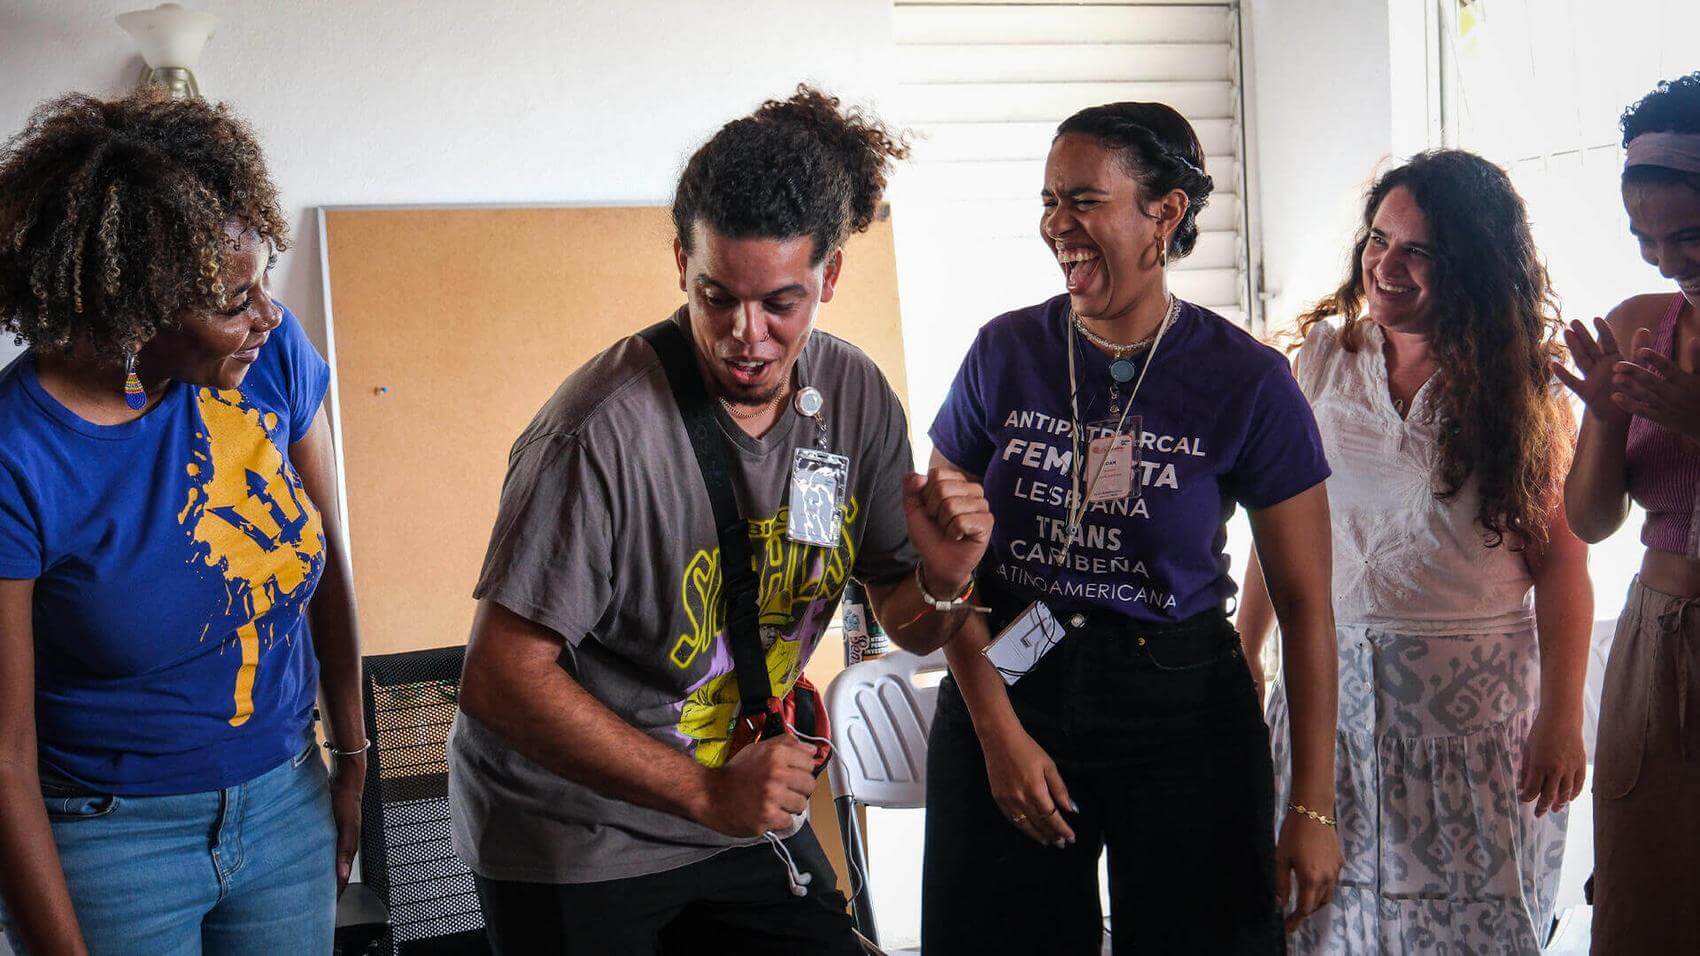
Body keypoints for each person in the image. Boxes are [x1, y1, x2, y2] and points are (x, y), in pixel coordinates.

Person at [447, 86, 990, 955]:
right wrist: (705, 795)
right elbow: (500, 678)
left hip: (734, 803)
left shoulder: (852, 399)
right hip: (576, 833)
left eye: (780, 302)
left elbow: (910, 622)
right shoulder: (597, 433)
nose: (747, 336)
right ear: (680, 265)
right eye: (715, 297)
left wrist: (945, 579)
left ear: (830, 277)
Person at [920, 101, 1343, 955]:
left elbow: (1305, 606)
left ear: (1166, 212)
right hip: (1009, 677)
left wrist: (1312, 807)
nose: (1057, 225)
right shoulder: (1004, 352)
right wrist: (998, 734)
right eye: (1048, 200)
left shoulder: (1248, 382)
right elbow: (940, 569)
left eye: (1084, 200)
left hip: (1182, 712)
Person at [0, 91, 365, 954]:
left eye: (263, 280)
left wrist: (351, 757)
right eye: (233, 300)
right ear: (135, 309)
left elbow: (327, 567)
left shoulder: (270, 360)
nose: (267, 316)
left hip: (286, 802)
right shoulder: (20, 457)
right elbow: (4, 754)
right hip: (107, 841)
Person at [1242, 150, 1592, 954]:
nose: (1384, 265)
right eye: (1377, 239)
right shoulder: (1323, 359)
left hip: (1472, 725)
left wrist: (1562, 718)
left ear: (1471, 263)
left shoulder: (1526, 389)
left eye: (1417, 251)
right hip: (1327, 706)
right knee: (1322, 919)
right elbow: (1280, 530)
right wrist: (1245, 647)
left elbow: (1564, 568)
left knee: (1472, 928)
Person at [1554, 71, 1700, 955]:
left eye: (1687, 235)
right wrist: (1606, 421)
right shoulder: (1643, 323)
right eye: (1643, 236)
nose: (1663, 260)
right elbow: (1590, 522)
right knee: (1648, 897)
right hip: (1657, 641)